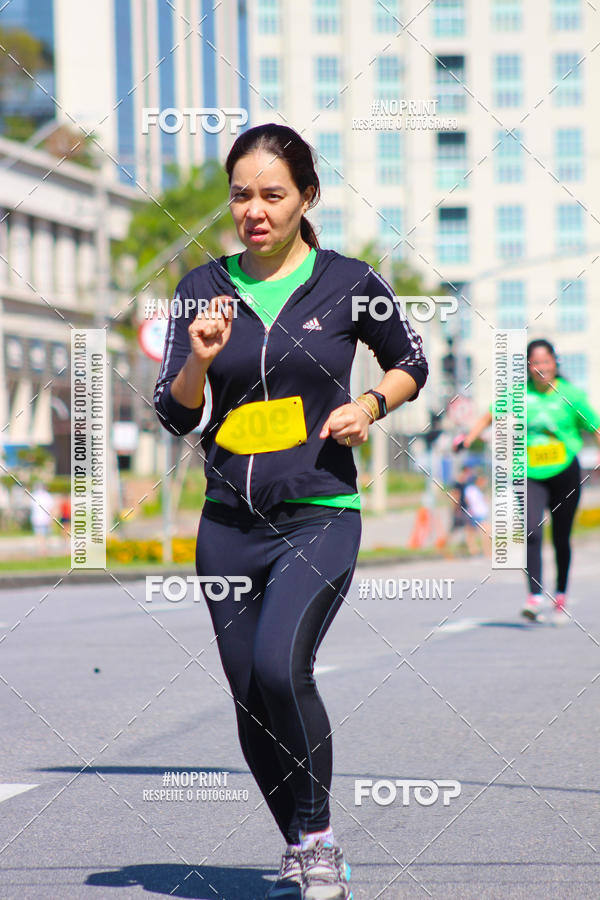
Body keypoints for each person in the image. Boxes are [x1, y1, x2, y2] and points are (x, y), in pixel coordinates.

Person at [154, 123, 429, 900]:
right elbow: (175, 414)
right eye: (241, 195)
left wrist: (370, 405)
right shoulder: (201, 289)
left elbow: (411, 361)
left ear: (307, 197)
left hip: (320, 514)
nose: (255, 210)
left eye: (273, 195)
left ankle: (318, 841)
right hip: (228, 526)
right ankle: (301, 847)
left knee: (281, 667)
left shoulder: (350, 281)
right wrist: (200, 359)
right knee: (250, 696)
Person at [462, 339, 600, 621]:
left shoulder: (571, 395)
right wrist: (467, 439)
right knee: (531, 531)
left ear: (555, 363)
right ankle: (534, 596)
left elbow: (595, 426)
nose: (541, 368)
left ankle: (560, 593)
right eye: (535, 363)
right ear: (528, 366)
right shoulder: (518, 394)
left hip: (565, 472)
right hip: (528, 473)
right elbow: (489, 415)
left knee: (561, 537)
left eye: (546, 362)